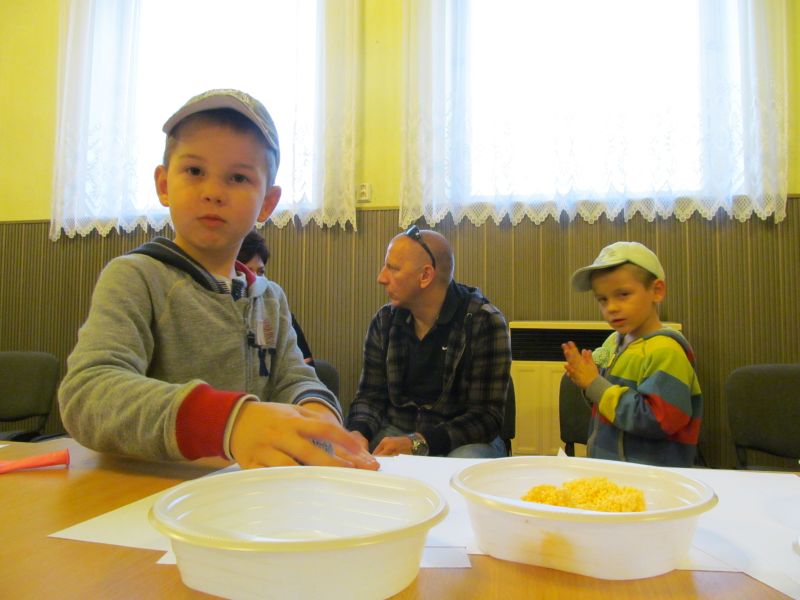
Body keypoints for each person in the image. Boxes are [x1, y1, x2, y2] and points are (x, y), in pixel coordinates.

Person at [59, 89, 377, 471]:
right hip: (147, 490)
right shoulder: (136, 277)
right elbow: (88, 394)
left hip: (243, 492)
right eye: (194, 171)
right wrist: (229, 422)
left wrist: (315, 414)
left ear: (267, 203)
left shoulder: (269, 298)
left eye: (238, 177)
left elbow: (294, 378)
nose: (212, 193)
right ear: (163, 184)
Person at [346, 226, 511, 458]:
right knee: (351, 453)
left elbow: (486, 418)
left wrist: (418, 442)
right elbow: (369, 397)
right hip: (396, 431)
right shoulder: (384, 321)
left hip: (462, 440)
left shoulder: (484, 322)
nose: (381, 278)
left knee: (463, 462)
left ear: (425, 276)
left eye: (393, 268)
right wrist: (357, 433)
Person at [561, 241, 702, 467]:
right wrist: (587, 382)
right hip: (615, 472)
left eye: (623, 294)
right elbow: (609, 406)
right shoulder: (614, 342)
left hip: (652, 478)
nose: (611, 307)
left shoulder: (666, 352)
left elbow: (659, 421)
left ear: (657, 291)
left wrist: (595, 384)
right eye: (603, 299)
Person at [238, 229, 314, 364]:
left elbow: (305, 363)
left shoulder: (275, 306)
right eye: (248, 271)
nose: (254, 279)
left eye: (260, 272)